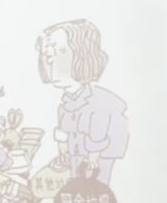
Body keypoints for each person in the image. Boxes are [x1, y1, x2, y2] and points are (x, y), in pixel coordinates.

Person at [36, 20, 129, 185]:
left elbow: (97, 143)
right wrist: (63, 150)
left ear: (83, 55)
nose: (50, 60)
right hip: (76, 166)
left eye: (61, 51)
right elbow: (64, 138)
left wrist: (89, 157)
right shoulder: (65, 106)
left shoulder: (100, 104)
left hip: (96, 169)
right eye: (46, 53)